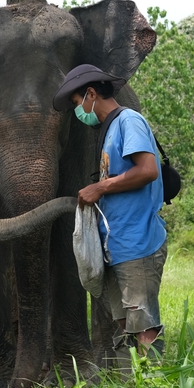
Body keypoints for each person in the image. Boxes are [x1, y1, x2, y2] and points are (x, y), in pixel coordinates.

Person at [53, 64, 167, 367]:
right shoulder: (108, 131)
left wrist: (100, 188)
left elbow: (147, 170)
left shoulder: (129, 121)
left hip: (137, 242)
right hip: (116, 245)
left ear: (91, 94)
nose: (79, 111)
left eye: (78, 103)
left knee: (143, 324)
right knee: (123, 323)